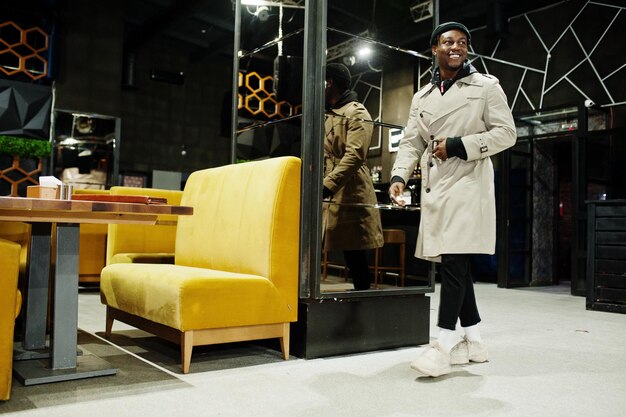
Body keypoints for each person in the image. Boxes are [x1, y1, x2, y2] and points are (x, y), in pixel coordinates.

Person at [389, 22, 516, 376]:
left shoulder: (486, 87)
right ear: (435, 49)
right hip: (436, 185)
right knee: (453, 261)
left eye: (462, 42)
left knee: (456, 259)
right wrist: (399, 176)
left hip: (468, 183)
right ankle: (474, 340)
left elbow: (507, 133)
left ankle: (443, 343)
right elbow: (413, 141)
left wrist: (460, 145)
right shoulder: (422, 96)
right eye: (448, 42)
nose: (456, 47)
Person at [322, 62, 384, 291]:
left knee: (354, 249)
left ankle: (363, 297)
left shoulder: (356, 112)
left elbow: (355, 155)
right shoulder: (330, 114)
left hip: (350, 187)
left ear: (330, 82)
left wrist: (327, 185)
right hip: (332, 184)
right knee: (344, 247)